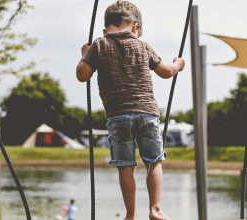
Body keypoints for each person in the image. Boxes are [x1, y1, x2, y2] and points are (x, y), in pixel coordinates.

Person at [76, 1, 185, 220]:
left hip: (117, 117)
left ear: (105, 30)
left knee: (125, 165)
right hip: (147, 114)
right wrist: (178, 64)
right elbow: (166, 72)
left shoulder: (99, 44)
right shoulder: (143, 45)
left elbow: (82, 75)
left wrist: (84, 54)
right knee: (154, 160)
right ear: (135, 28)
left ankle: (130, 214)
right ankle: (155, 209)